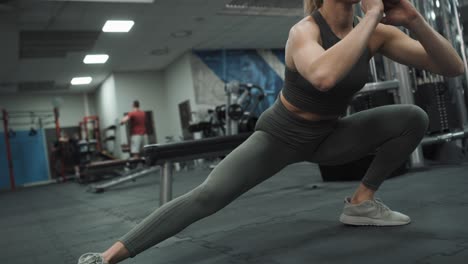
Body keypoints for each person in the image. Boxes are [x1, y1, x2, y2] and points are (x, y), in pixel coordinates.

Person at [78, 0, 464, 263]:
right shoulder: (304, 32)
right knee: (208, 196)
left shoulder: (377, 34)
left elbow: (453, 68)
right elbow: (325, 77)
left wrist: (415, 21)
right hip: (280, 136)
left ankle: (362, 203)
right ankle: (110, 255)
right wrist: (372, 15)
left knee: (412, 117)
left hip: (329, 137)